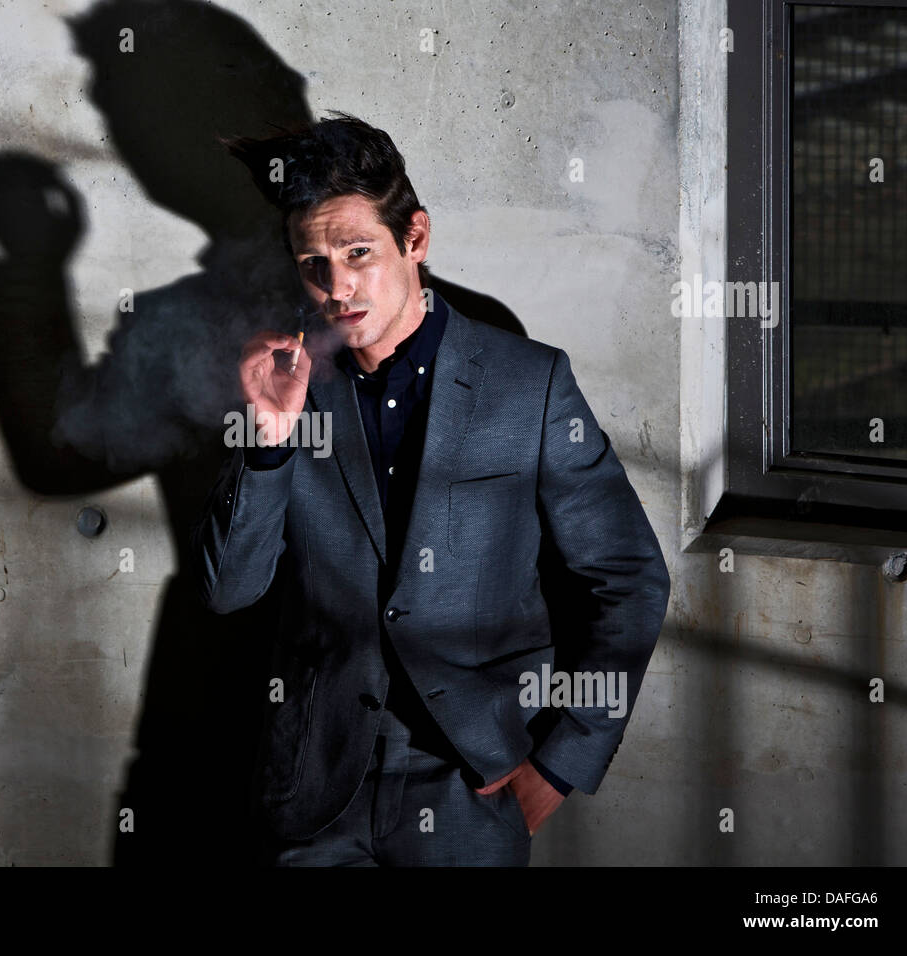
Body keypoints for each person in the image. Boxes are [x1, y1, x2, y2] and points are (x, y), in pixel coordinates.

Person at [189, 113, 670, 866]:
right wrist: (268, 438)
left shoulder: (527, 384)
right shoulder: (287, 380)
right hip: (315, 790)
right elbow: (229, 591)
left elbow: (629, 577)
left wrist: (560, 765)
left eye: (358, 253)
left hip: (471, 786)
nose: (336, 287)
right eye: (312, 262)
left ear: (414, 238)